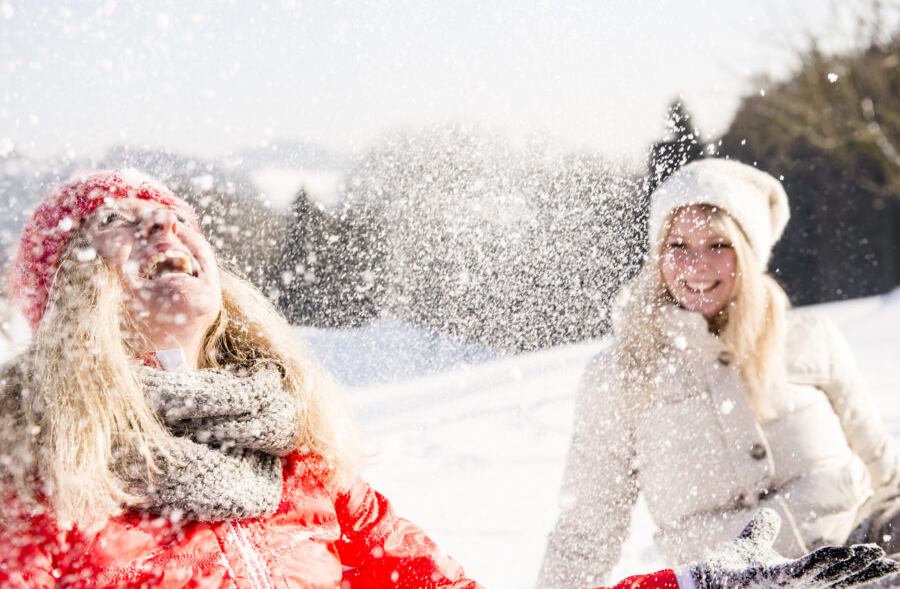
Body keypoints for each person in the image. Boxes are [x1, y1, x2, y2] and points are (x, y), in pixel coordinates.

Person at [0, 170, 895, 589]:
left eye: (174, 219)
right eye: (118, 223)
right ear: (69, 292)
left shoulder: (298, 463)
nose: (162, 232)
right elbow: (587, 529)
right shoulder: (36, 480)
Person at [538, 158, 900, 589]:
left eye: (718, 245)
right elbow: (585, 535)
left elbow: (888, 483)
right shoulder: (620, 377)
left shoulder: (812, 341)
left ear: (747, 251)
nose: (696, 266)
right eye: (678, 246)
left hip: (858, 572)